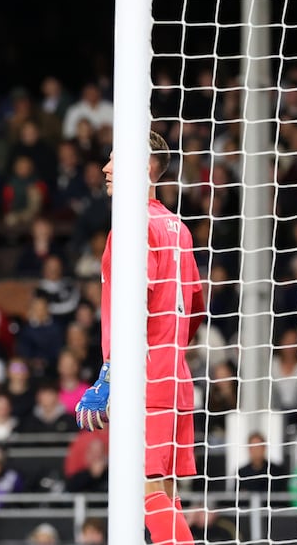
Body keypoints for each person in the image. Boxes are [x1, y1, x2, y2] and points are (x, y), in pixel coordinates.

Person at [74, 131, 204, 545]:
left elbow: (135, 307)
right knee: (164, 495)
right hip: (176, 378)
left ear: (145, 167)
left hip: (146, 379)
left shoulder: (132, 226)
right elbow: (196, 307)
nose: (105, 169)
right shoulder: (178, 227)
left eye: (115, 160)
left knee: (146, 495)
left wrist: (111, 372)